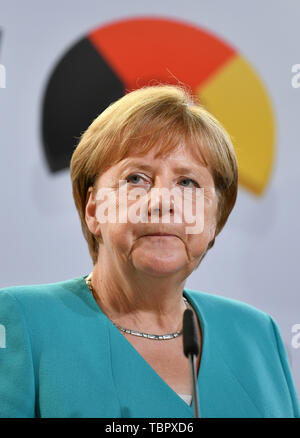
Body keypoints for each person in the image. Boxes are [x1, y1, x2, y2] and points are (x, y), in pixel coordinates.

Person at [0, 85, 299, 418]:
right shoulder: (22, 321)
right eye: (136, 178)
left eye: (188, 183)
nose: (162, 202)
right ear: (93, 208)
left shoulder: (258, 334)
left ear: (215, 220)